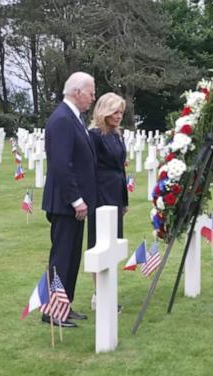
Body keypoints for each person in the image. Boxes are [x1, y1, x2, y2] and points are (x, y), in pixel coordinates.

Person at [42, 72, 97, 328]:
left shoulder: (73, 118)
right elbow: (62, 164)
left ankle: (64, 304)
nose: (93, 97)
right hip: (66, 203)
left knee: (72, 255)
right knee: (63, 255)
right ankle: (53, 310)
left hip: (72, 202)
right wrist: (76, 199)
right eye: (91, 92)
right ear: (77, 92)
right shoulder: (63, 119)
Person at [87, 92, 128, 310]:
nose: (119, 115)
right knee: (100, 244)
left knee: (114, 244)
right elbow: (90, 169)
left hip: (115, 193)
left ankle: (107, 290)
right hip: (100, 196)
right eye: (115, 111)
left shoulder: (115, 134)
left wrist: (123, 200)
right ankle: (99, 294)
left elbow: (120, 169)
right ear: (104, 111)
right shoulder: (94, 135)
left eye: (121, 111)